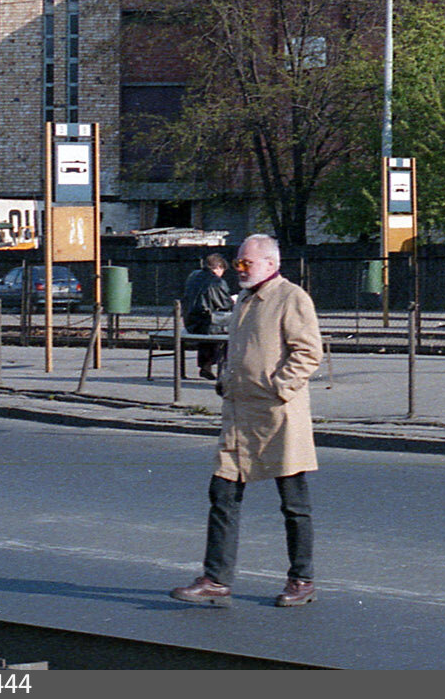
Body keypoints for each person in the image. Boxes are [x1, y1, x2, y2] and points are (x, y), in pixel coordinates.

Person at [171, 233, 323, 609]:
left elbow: (308, 352)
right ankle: (216, 579)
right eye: (237, 262)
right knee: (222, 494)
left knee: (293, 502)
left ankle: (302, 579)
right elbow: (239, 348)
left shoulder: (291, 297)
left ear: (271, 264)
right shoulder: (244, 299)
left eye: (246, 263)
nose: (239, 269)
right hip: (239, 416)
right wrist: (227, 380)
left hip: (278, 417)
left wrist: (279, 388)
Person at [181, 253, 235, 380]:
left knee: (210, 325)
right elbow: (225, 304)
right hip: (206, 324)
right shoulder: (217, 282)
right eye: (223, 270)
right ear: (219, 267)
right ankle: (225, 368)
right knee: (230, 329)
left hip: (190, 322)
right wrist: (233, 300)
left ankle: (206, 366)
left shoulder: (194, 276)